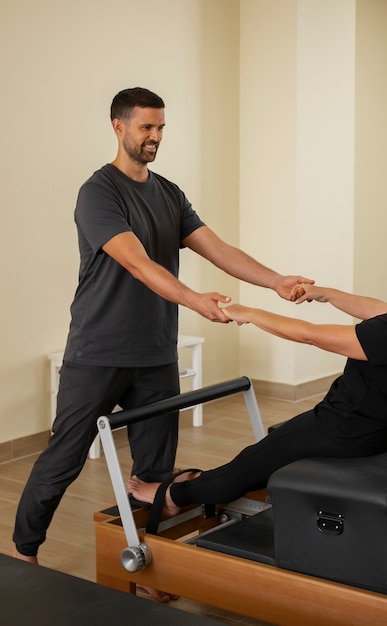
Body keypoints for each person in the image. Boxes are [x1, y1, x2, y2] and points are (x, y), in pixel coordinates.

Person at [12, 87, 313, 574]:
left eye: (161, 128)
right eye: (146, 127)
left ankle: (149, 566)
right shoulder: (98, 191)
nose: (155, 137)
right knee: (61, 461)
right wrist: (195, 300)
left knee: (152, 476)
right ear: (119, 126)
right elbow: (136, 262)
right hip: (97, 353)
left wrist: (275, 280)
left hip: (154, 353)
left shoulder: (169, 192)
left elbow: (217, 247)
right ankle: (23, 553)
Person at [127, 226, 387, 524]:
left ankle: (175, 496)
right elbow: (379, 309)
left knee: (251, 460)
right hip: (384, 429)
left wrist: (248, 312)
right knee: (275, 444)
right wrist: (325, 294)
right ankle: (207, 482)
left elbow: (309, 335)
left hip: (346, 429)